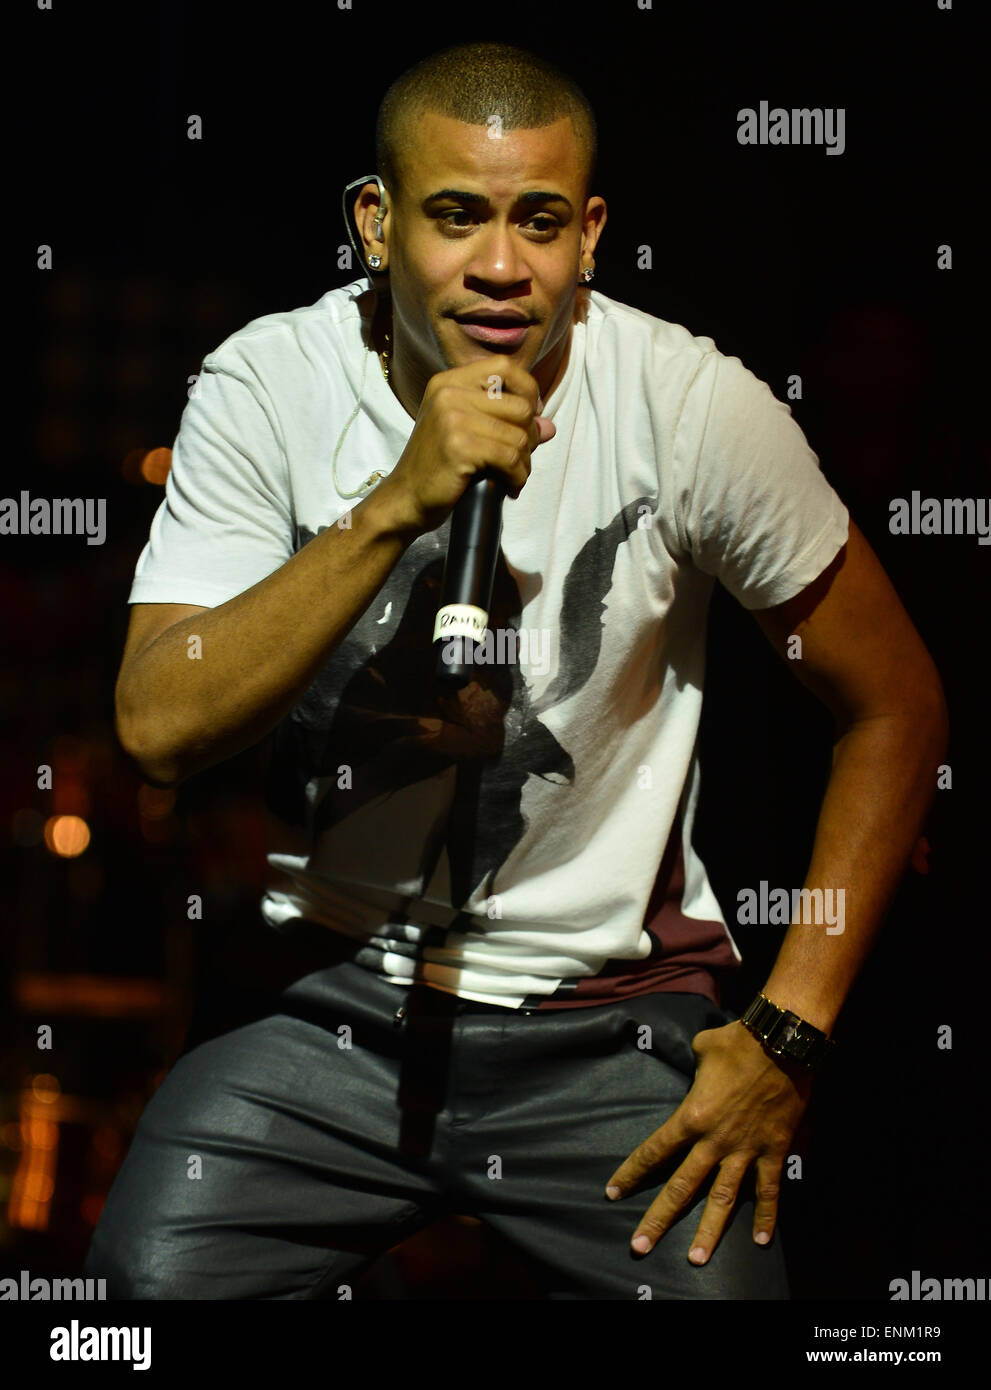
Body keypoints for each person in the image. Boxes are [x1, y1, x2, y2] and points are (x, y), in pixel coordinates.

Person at [83, 41, 947, 1300]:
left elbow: (898, 704)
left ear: (590, 232)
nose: (500, 265)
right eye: (456, 216)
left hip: (606, 1017)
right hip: (329, 996)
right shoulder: (269, 384)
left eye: (539, 220)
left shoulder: (689, 403)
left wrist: (787, 1033)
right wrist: (393, 503)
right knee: (135, 1298)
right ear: (374, 223)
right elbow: (157, 724)